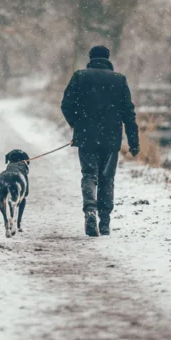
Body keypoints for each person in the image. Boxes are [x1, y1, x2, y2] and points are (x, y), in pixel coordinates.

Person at [60, 45, 139, 237]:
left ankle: (90, 211)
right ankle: (104, 221)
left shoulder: (80, 76)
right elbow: (129, 113)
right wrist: (134, 142)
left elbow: (66, 105)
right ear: (108, 58)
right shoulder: (119, 80)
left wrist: (76, 124)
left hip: (86, 136)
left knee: (89, 175)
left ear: (90, 58)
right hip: (111, 139)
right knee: (107, 178)